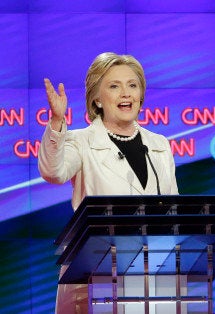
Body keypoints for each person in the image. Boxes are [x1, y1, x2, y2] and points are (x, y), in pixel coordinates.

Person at [38, 52, 179, 313]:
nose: (126, 93)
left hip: (152, 280)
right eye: (114, 86)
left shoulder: (159, 145)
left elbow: (172, 215)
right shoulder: (80, 141)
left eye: (132, 85)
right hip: (95, 278)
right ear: (97, 99)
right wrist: (58, 121)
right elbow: (52, 171)